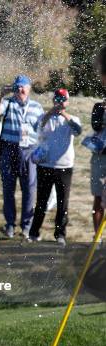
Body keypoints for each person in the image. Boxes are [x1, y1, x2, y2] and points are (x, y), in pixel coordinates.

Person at [0, 75, 44, 238]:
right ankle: (9, 225)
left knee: (29, 189)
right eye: (17, 87)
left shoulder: (37, 107)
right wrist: (1, 95)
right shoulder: (7, 103)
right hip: (9, 149)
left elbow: (42, 131)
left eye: (23, 87)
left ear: (29, 88)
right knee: (8, 189)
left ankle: (26, 226)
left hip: (29, 150)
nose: (20, 90)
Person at [27, 89, 81, 245]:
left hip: (64, 167)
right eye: (57, 99)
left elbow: (78, 131)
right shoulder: (45, 117)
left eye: (63, 100)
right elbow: (37, 127)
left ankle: (60, 234)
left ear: (67, 102)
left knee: (63, 203)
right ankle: (34, 232)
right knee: (41, 202)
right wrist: (51, 112)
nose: (60, 102)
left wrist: (63, 114)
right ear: (53, 100)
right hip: (45, 165)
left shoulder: (72, 119)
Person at [90, 45, 106, 236]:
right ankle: (97, 237)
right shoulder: (99, 106)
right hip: (101, 157)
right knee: (98, 199)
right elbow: (95, 126)